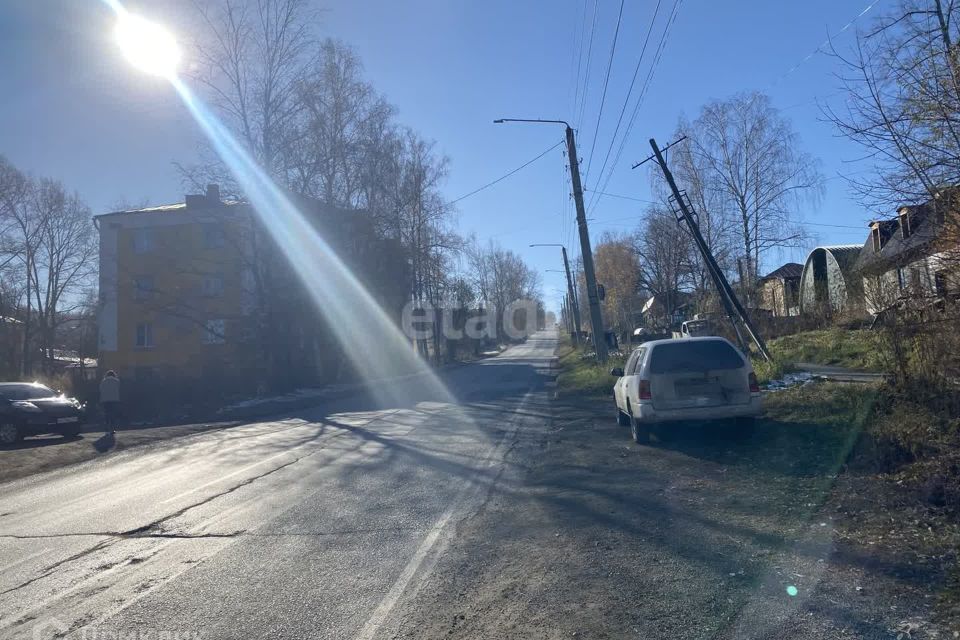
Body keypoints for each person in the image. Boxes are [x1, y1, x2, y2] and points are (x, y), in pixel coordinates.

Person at [99, 370, 121, 435]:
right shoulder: (117, 381)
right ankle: (112, 429)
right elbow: (119, 389)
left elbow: (100, 389)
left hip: (105, 400)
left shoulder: (103, 381)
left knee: (107, 414)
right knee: (113, 414)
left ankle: (106, 428)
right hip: (114, 400)